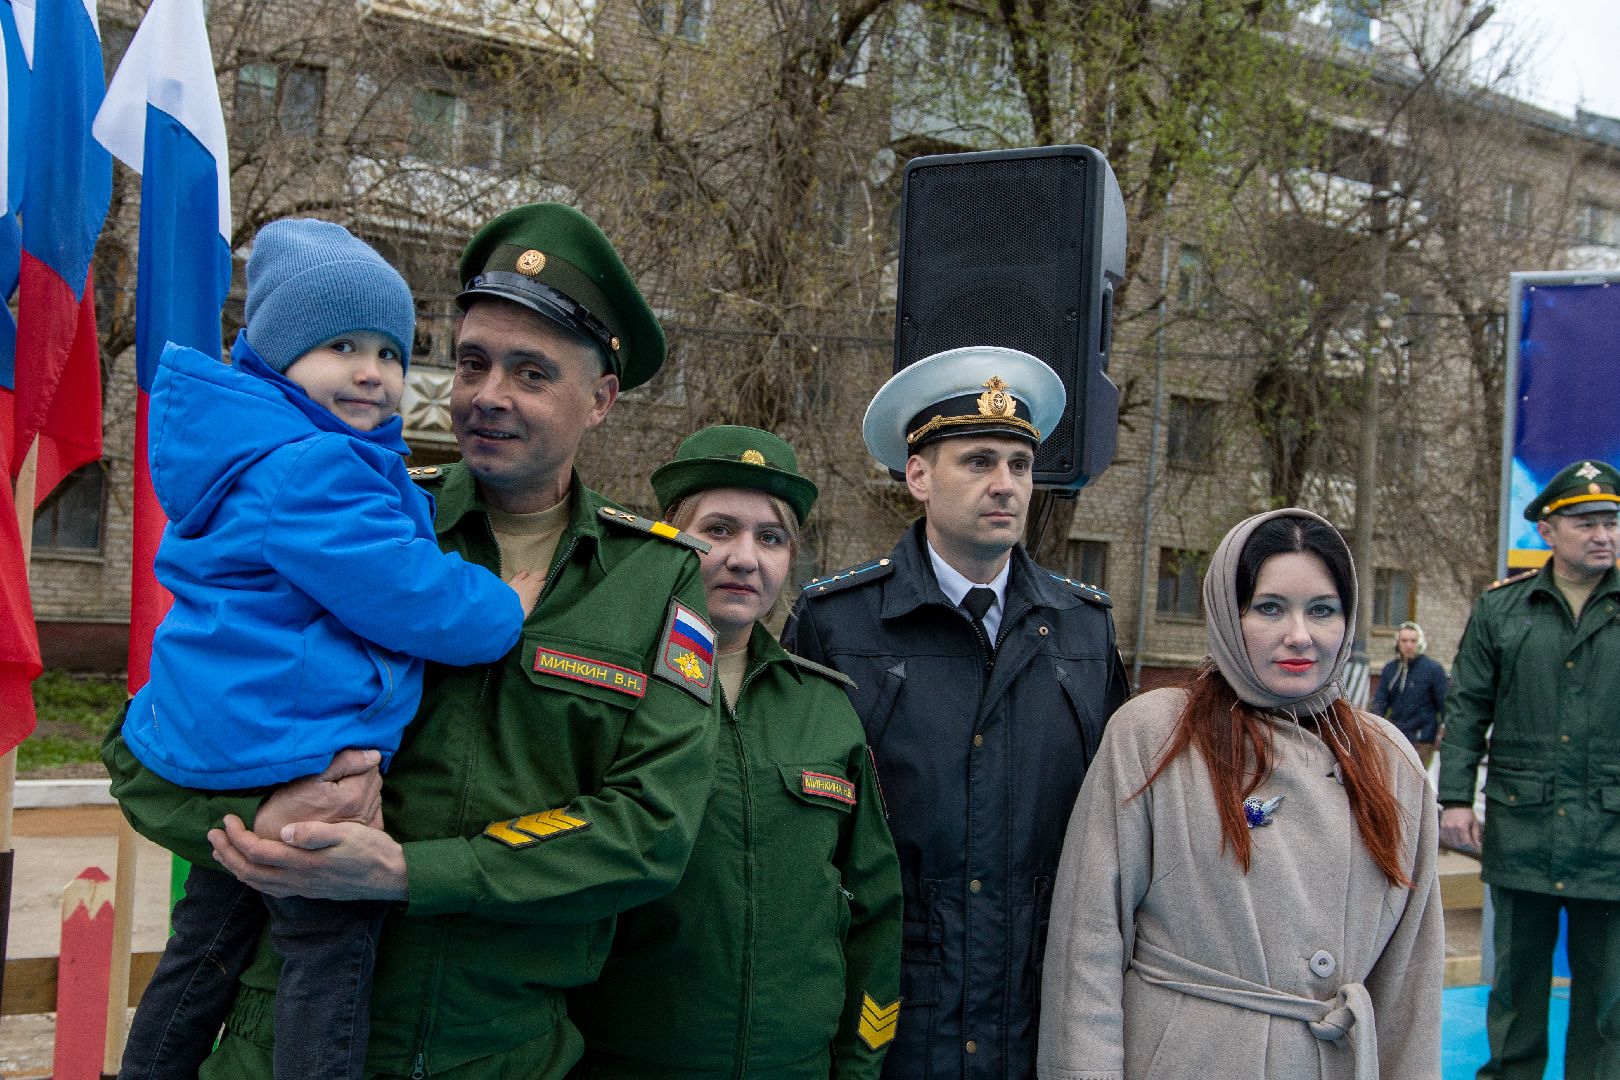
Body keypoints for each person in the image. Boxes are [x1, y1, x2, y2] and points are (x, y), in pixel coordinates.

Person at [103, 202, 722, 1079]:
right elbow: (143, 745)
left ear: (602, 400)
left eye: (532, 372)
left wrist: (408, 873)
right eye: (471, 362)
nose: (488, 396)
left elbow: (651, 829)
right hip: (276, 1043)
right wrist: (255, 822)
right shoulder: (355, 511)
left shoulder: (655, 581)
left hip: (496, 1050)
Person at [116, 217, 542, 1080]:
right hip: (291, 745)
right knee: (328, 947)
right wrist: (500, 605)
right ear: (274, 357)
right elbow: (406, 592)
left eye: (390, 352)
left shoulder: (278, 452)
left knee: (206, 943)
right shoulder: (313, 468)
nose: (370, 372)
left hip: (242, 733)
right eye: (340, 345)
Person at [782, 345, 1129, 1080]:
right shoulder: (838, 625)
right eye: (977, 461)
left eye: (1020, 464)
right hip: (890, 1020)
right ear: (917, 475)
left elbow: (1118, 835)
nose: (1005, 485)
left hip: (1037, 1016)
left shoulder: (1083, 631)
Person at [1038, 508, 1443, 1080]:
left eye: (1322, 610)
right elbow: (1088, 948)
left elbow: (1410, 987)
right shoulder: (1155, 736)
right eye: (1270, 608)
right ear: (1230, 614)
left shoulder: (1389, 762)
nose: (1299, 635)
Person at [570, 424, 904, 1079]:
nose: (745, 558)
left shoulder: (825, 710)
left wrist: (860, 1065)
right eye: (718, 529)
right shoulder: (605, 691)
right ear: (669, 538)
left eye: (770, 537)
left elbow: (876, 912)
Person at [1439, 459, 1620, 1080]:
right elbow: (1467, 707)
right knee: (1516, 991)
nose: (1604, 535)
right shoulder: (1503, 611)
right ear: (1548, 530)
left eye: (1613, 522)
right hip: (1523, 826)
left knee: (1608, 1005)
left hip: (1611, 836)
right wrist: (1455, 798)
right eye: (1587, 522)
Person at [1370, 621, 1448, 766]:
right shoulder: (1391, 669)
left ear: (1420, 643)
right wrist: (1375, 726)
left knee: (1415, 781)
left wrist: (1448, 729)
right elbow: (1380, 702)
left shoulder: (1433, 670)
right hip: (1396, 737)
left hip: (1422, 739)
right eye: (1404, 640)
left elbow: (1444, 703)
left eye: (1413, 641)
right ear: (1397, 642)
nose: (1409, 645)